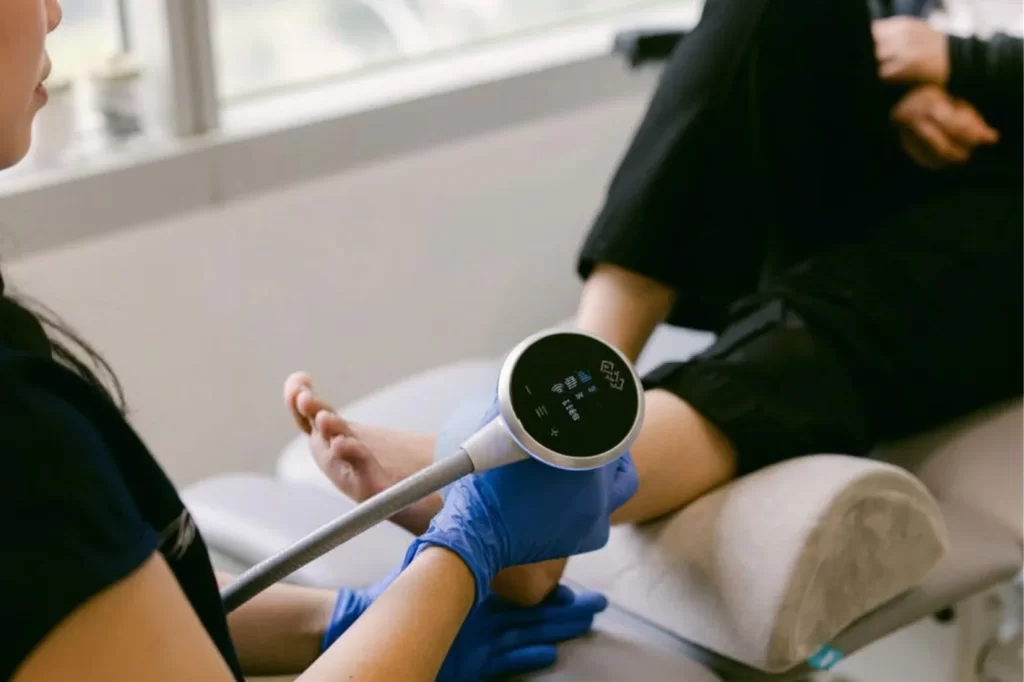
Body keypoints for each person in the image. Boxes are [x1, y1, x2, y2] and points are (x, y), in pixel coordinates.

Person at [286, 0, 1022, 606]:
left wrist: (971, 66)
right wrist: (916, 82)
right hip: (940, 131)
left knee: (892, 281)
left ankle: (534, 494)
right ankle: (569, 403)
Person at [0, 1, 640, 680]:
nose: (54, 10)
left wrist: (342, 621)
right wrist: (463, 552)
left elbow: (88, 615)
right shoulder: (21, 439)